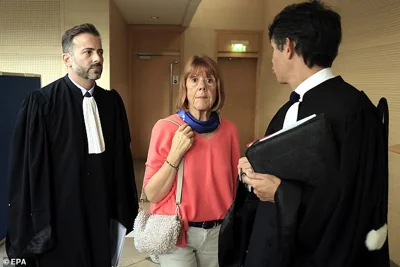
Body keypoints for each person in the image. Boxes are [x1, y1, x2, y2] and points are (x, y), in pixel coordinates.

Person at [220, 1, 390, 267]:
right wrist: (252, 172)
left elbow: (354, 206)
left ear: (288, 46)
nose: (273, 59)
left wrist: (280, 193)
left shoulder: (355, 113)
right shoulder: (287, 110)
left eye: (273, 49)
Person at [6, 23, 138, 267]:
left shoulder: (111, 103)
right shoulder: (42, 103)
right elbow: (26, 172)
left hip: (101, 213)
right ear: (67, 58)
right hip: (60, 218)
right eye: (88, 52)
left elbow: (122, 163)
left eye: (100, 52)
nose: (97, 58)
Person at [142, 54, 240, 267]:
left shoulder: (230, 131)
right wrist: (175, 154)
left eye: (209, 80)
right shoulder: (165, 128)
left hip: (217, 234)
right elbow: (152, 193)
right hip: (177, 233)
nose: (202, 87)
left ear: (217, 89)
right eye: (194, 80)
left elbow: (233, 187)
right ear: (185, 88)